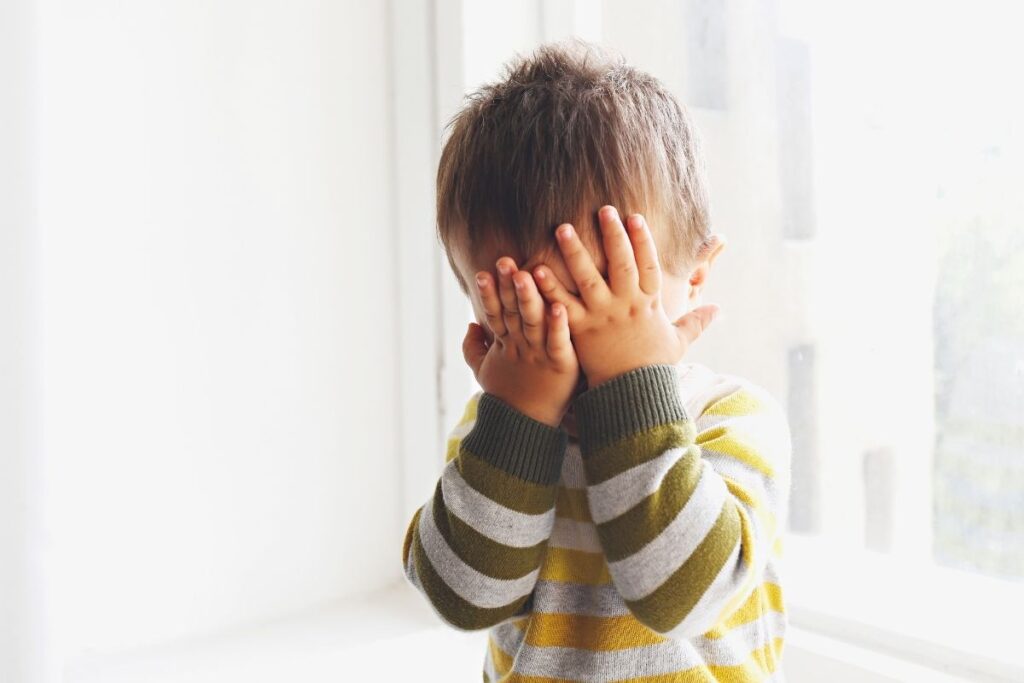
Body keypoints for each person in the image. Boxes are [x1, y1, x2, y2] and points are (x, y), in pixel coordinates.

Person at [401, 39, 793, 682]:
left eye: (603, 298)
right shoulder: (495, 433)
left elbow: (683, 596)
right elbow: (463, 598)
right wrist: (518, 418)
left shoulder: (732, 419)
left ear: (696, 277)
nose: (565, 348)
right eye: (523, 313)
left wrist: (631, 383)